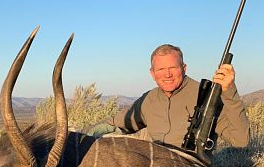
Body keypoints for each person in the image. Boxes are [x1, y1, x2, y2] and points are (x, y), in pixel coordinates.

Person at [85, 44, 250, 154]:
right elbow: (116, 125)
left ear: (183, 68)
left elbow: (241, 140)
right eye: (161, 69)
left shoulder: (207, 97)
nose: (167, 74)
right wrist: (83, 136)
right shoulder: (149, 99)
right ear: (152, 73)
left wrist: (229, 92)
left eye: (172, 67)